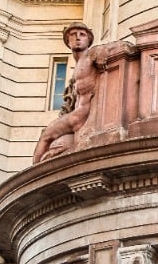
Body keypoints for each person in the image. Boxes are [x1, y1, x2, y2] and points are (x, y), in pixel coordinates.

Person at [33, 23, 107, 164]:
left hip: (81, 115)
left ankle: (34, 172)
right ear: (68, 41)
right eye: (73, 35)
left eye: (82, 35)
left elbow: (110, 49)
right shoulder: (78, 65)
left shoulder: (90, 55)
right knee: (50, 142)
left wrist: (101, 52)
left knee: (46, 135)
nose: (78, 38)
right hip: (76, 113)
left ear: (89, 40)